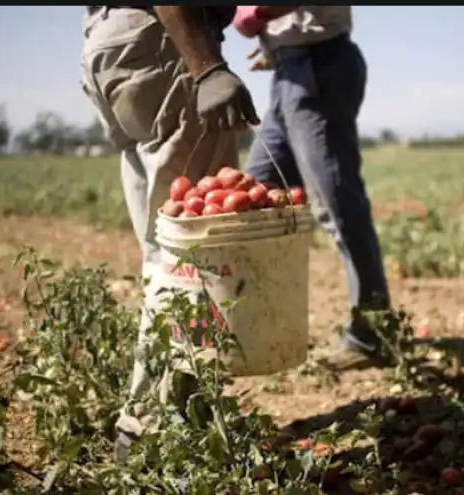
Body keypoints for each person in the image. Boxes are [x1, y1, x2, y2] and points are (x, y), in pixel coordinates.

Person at [79, 5, 259, 461]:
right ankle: (154, 431)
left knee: (164, 251)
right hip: (165, 43)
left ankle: (170, 420)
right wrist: (208, 66)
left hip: (111, 46)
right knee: (193, 254)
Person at [233, 7, 393, 371]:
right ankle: (264, 326)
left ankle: (372, 334)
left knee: (337, 204)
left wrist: (254, 15)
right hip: (291, 68)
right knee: (255, 195)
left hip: (319, 65)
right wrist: (277, 43)